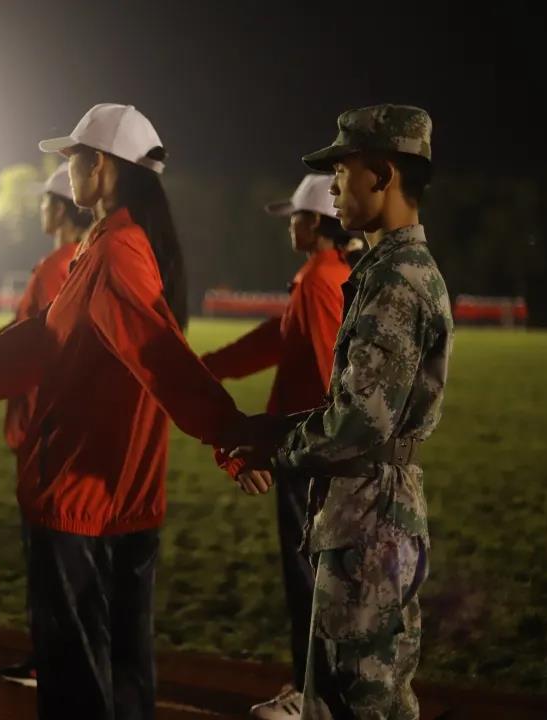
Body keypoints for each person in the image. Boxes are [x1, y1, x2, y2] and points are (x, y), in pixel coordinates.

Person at [0, 103, 253, 720]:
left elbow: (156, 357)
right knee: (123, 675)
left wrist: (231, 437)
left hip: (81, 500)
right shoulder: (124, 246)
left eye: (73, 158)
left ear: (103, 167)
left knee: (76, 684)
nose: (66, 171)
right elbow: (45, 342)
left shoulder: (115, 252)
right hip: (123, 498)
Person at [227, 104, 453, 720]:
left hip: (369, 517)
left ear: (382, 174)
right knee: (367, 695)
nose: (332, 187)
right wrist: (274, 429)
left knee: (354, 700)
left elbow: (359, 420)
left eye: (342, 170)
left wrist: (275, 447)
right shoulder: (390, 268)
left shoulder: (396, 279)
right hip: (373, 508)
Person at [201, 173, 352, 719]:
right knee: (327, 579)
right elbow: (276, 341)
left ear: (317, 222)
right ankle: (325, 690)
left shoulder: (316, 279)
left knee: (308, 579)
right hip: (326, 452)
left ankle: (314, 697)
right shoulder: (333, 274)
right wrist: (207, 368)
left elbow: (327, 378)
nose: (290, 226)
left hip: (309, 455)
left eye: (296, 217)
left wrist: (271, 445)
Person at [0, 163, 93, 686]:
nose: (40, 209)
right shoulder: (75, 259)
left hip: (41, 427)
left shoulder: (59, 266)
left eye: (45, 200)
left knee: (48, 551)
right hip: (52, 425)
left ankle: (50, 659)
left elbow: (36, 346)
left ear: (61, 207)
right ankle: (53, 654)